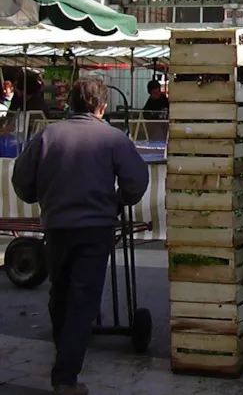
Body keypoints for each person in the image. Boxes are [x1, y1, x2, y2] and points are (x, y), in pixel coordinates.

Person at [12, 78, 149, 395]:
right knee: (82, 300)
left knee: (60, 294)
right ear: (102, 106)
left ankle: (65, 354)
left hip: (57, 226)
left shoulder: (47, 135)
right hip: (96, 228)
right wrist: (120, 200)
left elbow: (22, 180)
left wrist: (40, 196)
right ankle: (66, 377)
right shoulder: (114, 138)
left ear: (69, 104)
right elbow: (136, 182)